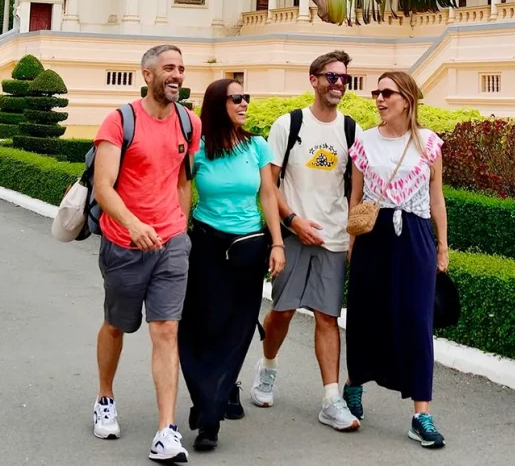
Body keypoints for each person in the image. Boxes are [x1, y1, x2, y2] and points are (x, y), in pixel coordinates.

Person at [92, 44, 200, 464]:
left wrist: (180, 227)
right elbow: (104, 187)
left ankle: (165, 430)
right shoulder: (119, 121)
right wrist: (134, 226)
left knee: (166, 331)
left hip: (170, 243)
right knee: (117, 326)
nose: (176, 75)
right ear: (147, 75)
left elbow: (183, 180)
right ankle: (105, 397)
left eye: (181, 69)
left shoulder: (190, 123)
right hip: (123, 242)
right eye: (168, 68)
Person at [250, 51, 362, 432]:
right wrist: (292, 224)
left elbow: (357, 190)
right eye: (332, 77)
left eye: (344, 78)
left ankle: (331, 398)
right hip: (295, 233)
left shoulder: (351, 129)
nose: (339, 84)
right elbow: (270, 184)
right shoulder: (289, 123)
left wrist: (352, 234)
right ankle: (267, 367)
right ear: (313, 80)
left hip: (332, 237)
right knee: (282, 310)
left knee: (327, 316)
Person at [342, 71, 449, 449]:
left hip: (416, 235)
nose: (379, 99)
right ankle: (354, 386)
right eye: (376, 93)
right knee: (365, 313)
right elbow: (355, 197)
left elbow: (437, 199)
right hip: (373, 234)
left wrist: (442, 244)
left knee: (417, 321)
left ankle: (422, 413)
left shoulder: (429, 143)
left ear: (406, 99)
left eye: (386, 93)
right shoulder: (364, 141)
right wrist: (351, 240)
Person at [178, 79, 285, 452]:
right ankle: (206, 397)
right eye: (236, 98)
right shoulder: (200, 148)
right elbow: (179, 190)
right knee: (197, 327)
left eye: (246, 97)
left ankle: (210, 415)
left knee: (237, 330)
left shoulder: (256, 145)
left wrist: (277, 243)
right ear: (216, 104)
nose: (244, 103)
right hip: (205, 246)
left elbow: (268, 195)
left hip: (248, 248)